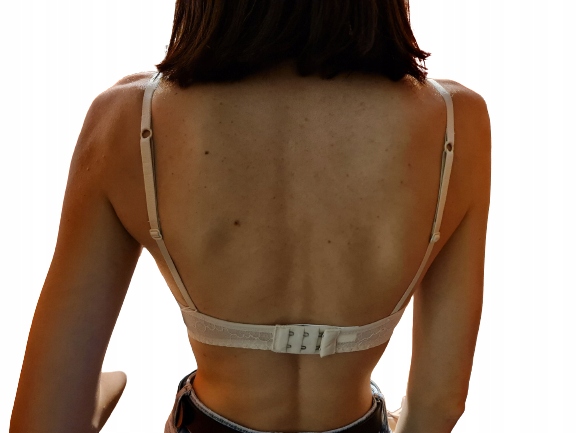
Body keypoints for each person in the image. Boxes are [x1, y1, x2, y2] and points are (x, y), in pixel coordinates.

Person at [10, 1, 491, 432]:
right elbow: (439, 405)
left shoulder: (130, 119)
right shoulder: (455, 121)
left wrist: (105, 389)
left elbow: (45, 422)